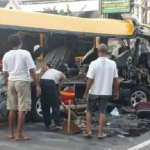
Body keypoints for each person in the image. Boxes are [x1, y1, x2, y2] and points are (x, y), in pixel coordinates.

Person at [2, 33, 41, 141]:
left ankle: (10, 133)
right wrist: (37, 85)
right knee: (22, 109)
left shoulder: (6, 55)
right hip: (22, 82)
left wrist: (7, 83)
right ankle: (19, 134)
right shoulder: (25, 53)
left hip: (11, 81)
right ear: (20, 42)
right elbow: (32, 70)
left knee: (11, 109)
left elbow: (5, 72)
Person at [82, 44, 119, 139]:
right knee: (102, 111)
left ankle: (89, 130)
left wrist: (85, 93)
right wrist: (116, 91)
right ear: (106, 52)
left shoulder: (93, 63)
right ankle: (100, 133)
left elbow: (90, 80)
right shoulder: (112, 63)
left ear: (98, 52)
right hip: (106, 91)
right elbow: (116, 79)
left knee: (89, 111)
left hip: (94, 91)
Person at [40, 63, 66, 130]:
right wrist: (58, 94)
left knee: (45, 103)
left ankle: (47, 123)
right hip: (50, 82)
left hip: (42, 81)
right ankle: (57, 124)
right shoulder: (62, 74)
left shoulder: (51, 70)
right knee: (55, 104)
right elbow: (59, 87)